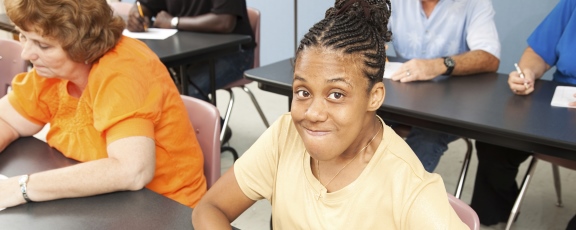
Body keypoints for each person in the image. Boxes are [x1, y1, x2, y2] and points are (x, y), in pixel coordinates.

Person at [191, 0, 468, 229]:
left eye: (336, 94)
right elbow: (210, 207)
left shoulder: (407, 185)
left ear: (375, 96)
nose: (312, 113)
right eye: (302, 92)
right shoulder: (284, 135)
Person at [0, 0, 206, 209]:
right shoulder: (52, 70)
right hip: (99, 203)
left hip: (163, 207)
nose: (26, 53)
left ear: (82, 44)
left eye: (43, 45)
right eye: (23, 36)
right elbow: (6, 119)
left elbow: (131, 170)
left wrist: (23, 188)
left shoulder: (123, 71)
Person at [470, 0, 576, 227]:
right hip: (558, 105)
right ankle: (499, 213)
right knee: (495, 144)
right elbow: (538, 52)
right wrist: (528, 71)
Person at [381, 0, 501, 172]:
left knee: (427, 137)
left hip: (450, 105)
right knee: (363, 121)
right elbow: (365, 30)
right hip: (400, 96)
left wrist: (440, 64)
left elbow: (489, 56)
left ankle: (400, 195)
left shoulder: (475, 3)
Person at [126, 0, 256, 101]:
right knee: (148, 84)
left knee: (186, 93)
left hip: (232, 53)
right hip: (184, 51)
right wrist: (136, 16)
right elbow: (144, 5)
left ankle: (212, 129)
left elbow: (225, 22)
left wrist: (173, 22)